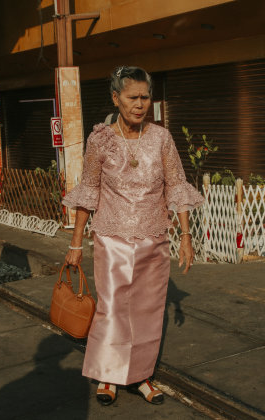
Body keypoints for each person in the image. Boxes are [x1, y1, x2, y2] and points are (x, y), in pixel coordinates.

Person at [63, 66, 204, 406]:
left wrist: (185, 236)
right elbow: (89, 192)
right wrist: (76, 243)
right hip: (112, 239)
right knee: (112, 308)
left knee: (147, 310)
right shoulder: (100, 140)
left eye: (145, 97)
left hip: (153, 239)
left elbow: (176, 187)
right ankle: (109, 376)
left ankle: (140, 375)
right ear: (116, 98)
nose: (140, 104)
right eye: (132, 97)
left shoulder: (161, 138)